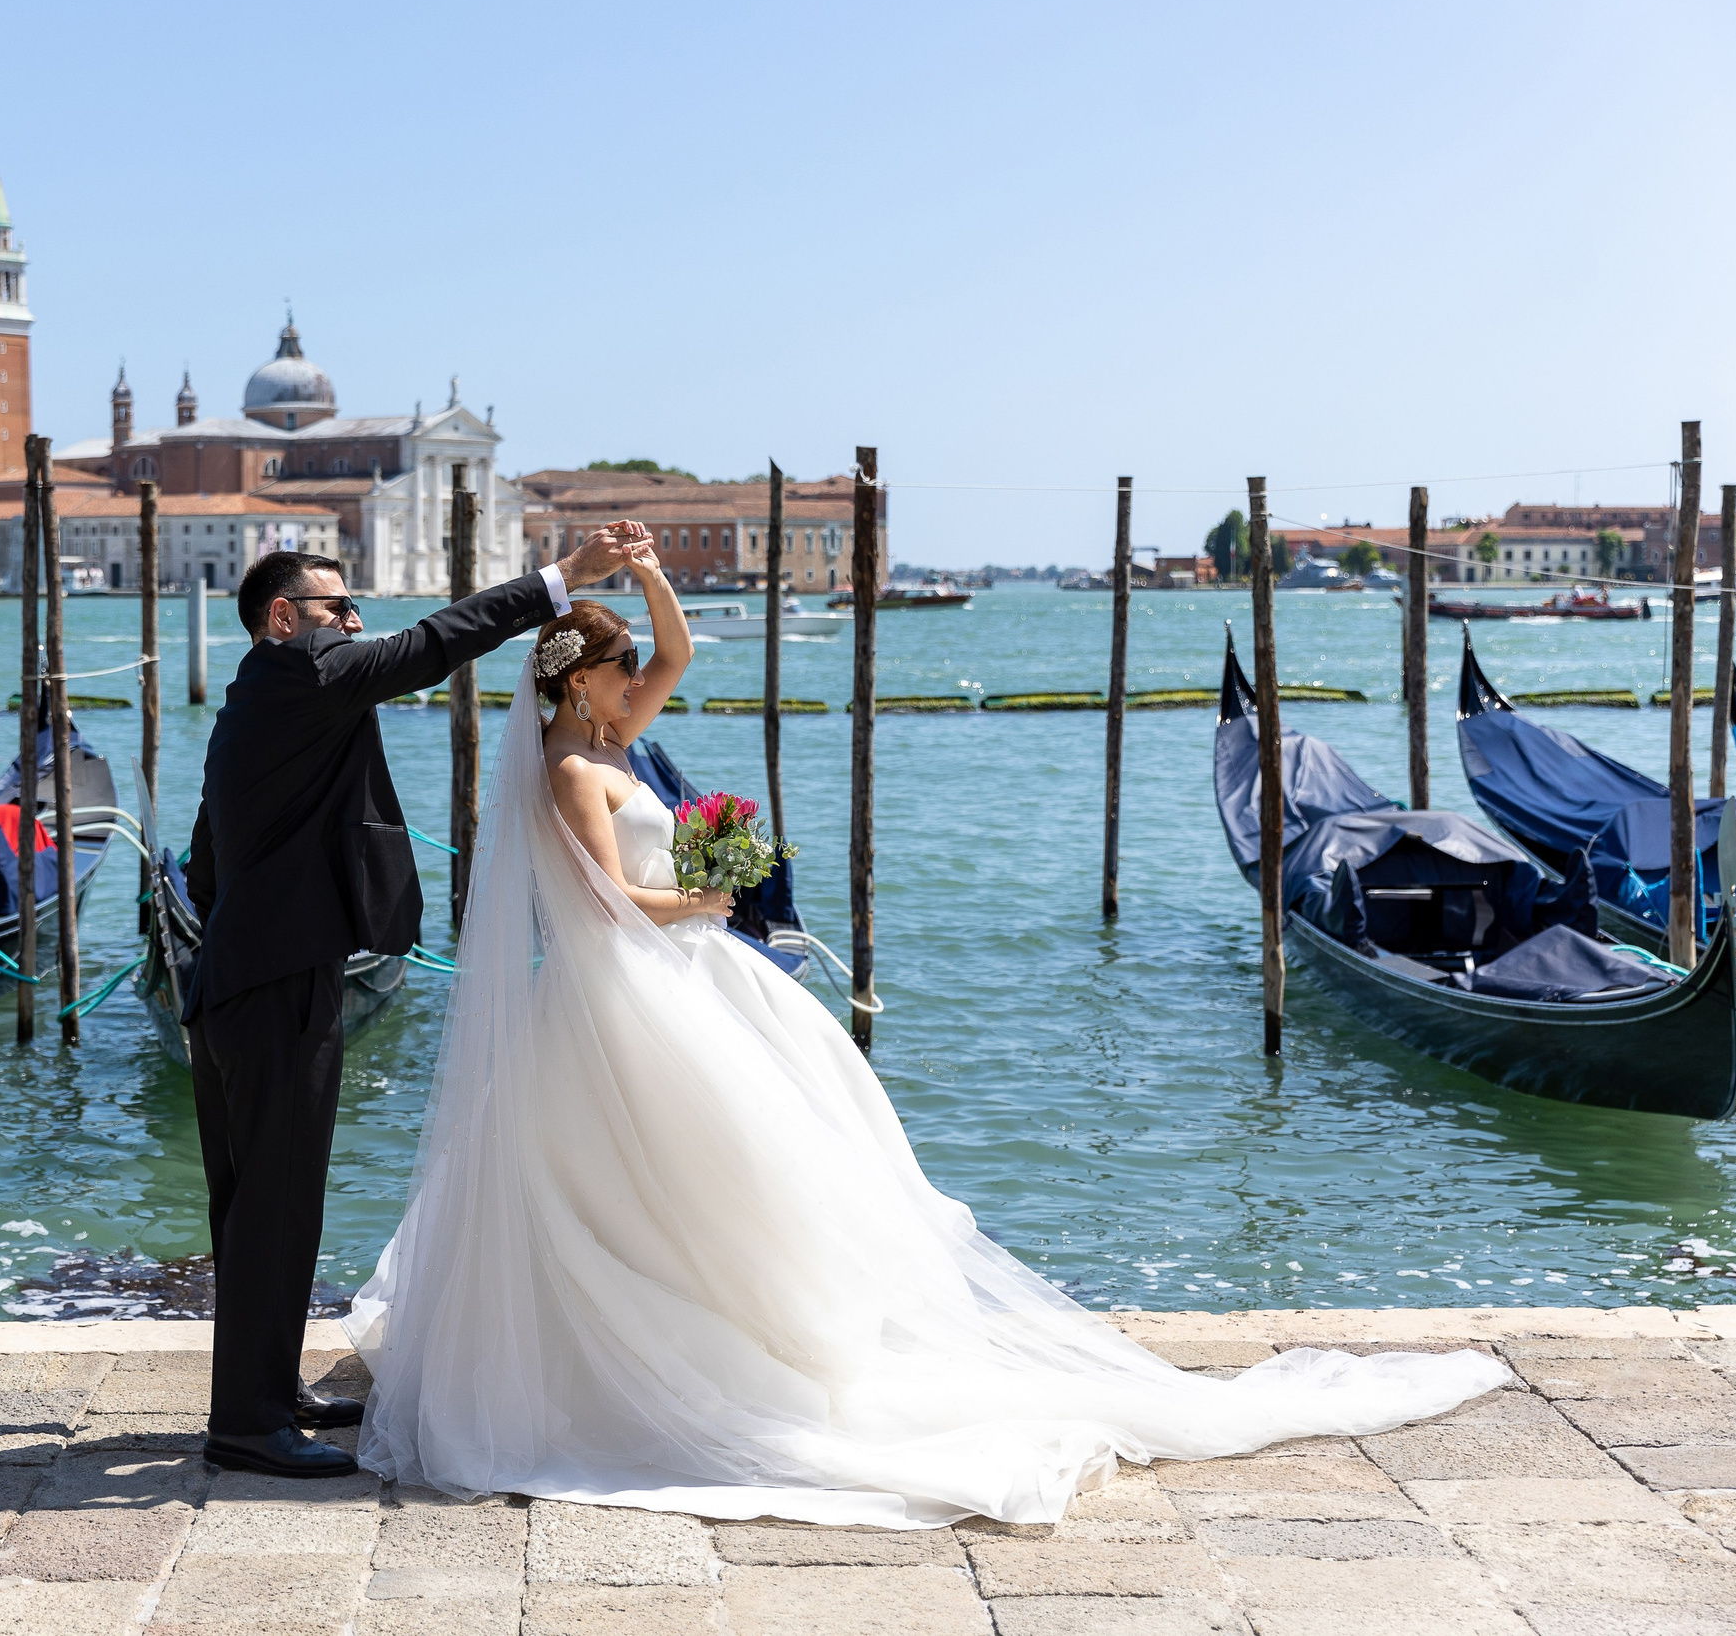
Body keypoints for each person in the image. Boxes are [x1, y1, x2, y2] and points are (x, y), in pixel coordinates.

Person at [345, 539, 1511, 1528]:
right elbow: (606, 899)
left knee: (772, 1145)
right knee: (661, 1168)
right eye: (617, 670)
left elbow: (680, 656)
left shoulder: (611, 737)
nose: (635, 680)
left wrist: (651, 579)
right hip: (625, 988)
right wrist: (703, 898)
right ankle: (652, 1355)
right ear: (578, 683)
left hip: (679, 977)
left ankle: (755, 1323)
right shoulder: (570, 770)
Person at [184, 522, 647, 1480]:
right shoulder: (306, 672)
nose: (357, 621)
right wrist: (565, 577)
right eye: (340, 607)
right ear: (286, 618)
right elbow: (435, 642)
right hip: (274, 983)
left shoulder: (253, 699)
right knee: (274, 1200)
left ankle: (265, 1390)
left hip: (240, 978)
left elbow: (204, 861)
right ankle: (247, 1425)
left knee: (263, 1199)